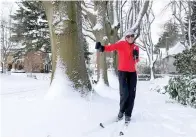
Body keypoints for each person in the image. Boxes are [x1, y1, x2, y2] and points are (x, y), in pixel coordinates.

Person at [95, 30, 139, 124]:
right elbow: (111, 47)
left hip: (132, 73)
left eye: (132, 36)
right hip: (122, 72)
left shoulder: (136, 47)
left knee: (131, 94)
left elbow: (136, 61)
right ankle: (121, 111)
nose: (130, 38)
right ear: (125, 37)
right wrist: (101, 47)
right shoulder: (121, 44)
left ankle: (128, 114)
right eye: (128, 36)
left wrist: (136, 57)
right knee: (125, 93)